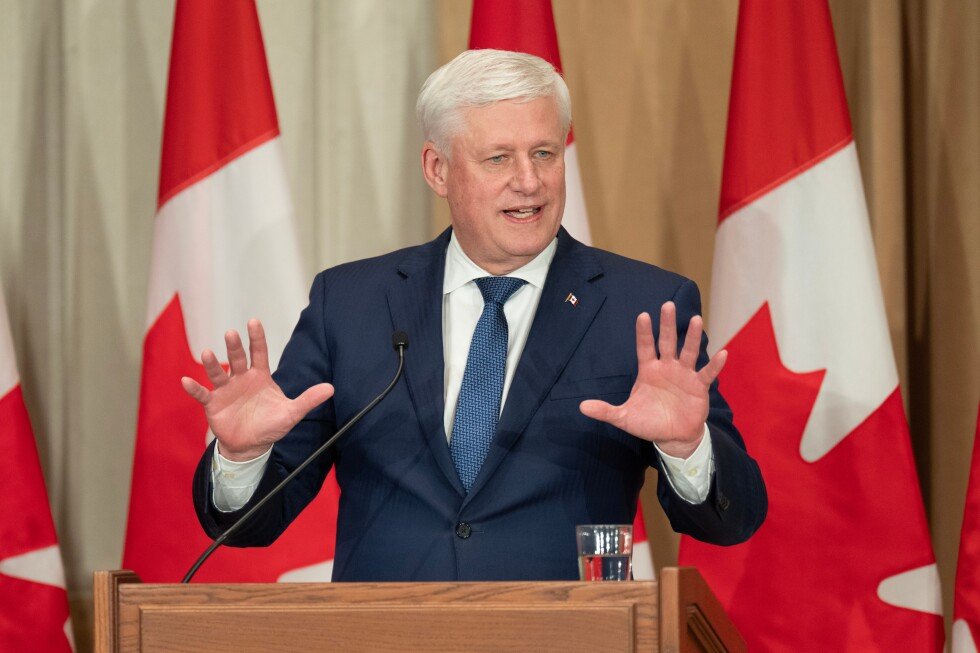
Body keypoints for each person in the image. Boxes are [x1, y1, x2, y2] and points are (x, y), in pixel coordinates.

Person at [185, 49, 766, 581]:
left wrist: (688, 448)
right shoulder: (351, 303)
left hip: (571, 634)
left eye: (544, 153)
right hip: (386, 635)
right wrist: (243, 458)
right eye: (498, 158)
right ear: (437, 169)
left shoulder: (641, 306)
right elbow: (252, 523)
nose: (529, 182)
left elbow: (733, 518)